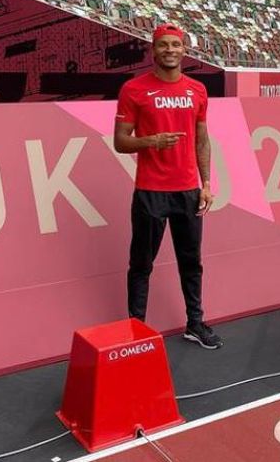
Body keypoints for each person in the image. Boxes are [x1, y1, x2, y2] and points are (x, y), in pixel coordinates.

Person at [114, 23, 222, 349]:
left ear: (184, 50)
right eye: (164, 45)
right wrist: (151, 141)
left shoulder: (197, 90)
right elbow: (121, 142)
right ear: (153, 50)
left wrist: (206, 184)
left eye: (176, 45)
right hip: (150, 191)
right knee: (141, 265)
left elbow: (202, 140)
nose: (170, 51)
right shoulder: (134, 90)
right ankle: (136, 331)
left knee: (192, 262)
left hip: (188, 191)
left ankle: (195, 323)